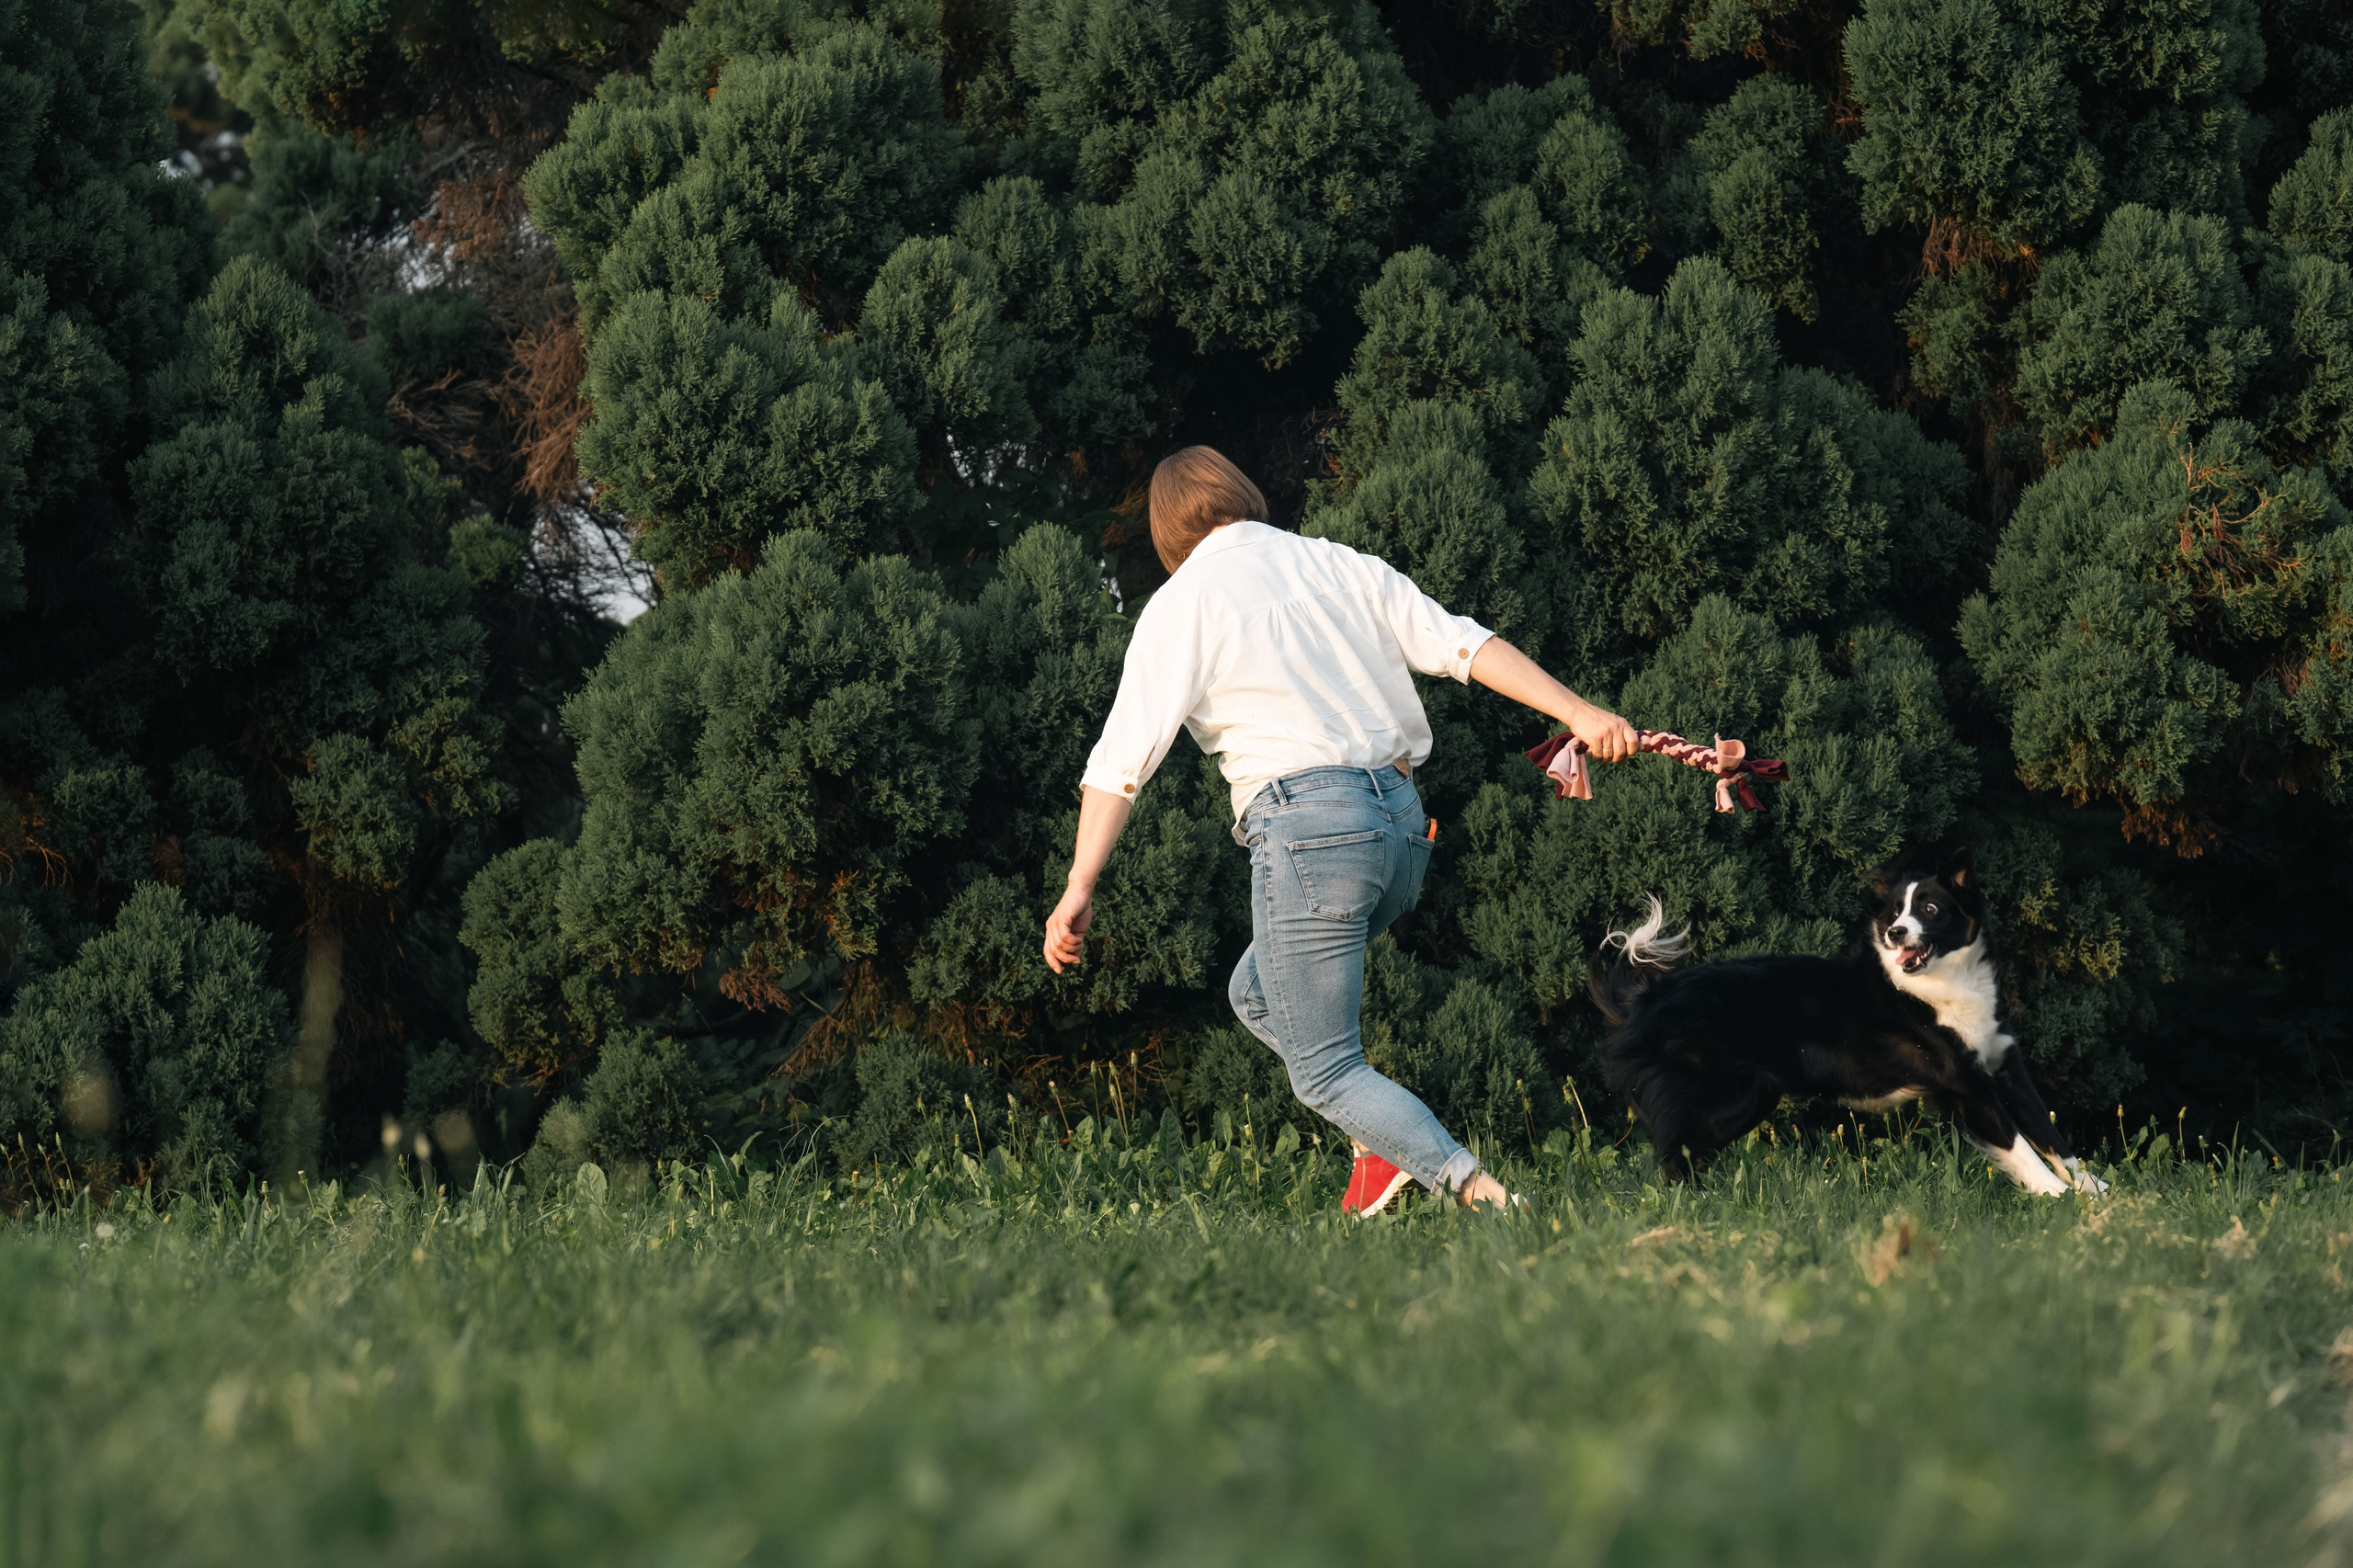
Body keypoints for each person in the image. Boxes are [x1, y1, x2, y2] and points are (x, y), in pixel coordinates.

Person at [1042, 447, 1637, 1211]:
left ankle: (1485, 1198)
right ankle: (1379, 1149)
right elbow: (1464, 644)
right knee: (1254, 991)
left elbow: (1122, 760)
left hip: (1312, 834)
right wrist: (1578, 712)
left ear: (1166, 537)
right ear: (1241, 494)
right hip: (1397, 833)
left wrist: (1078, 884)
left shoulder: (1182, 604)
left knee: (1323, 1069)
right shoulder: (1338, 564)